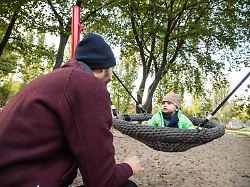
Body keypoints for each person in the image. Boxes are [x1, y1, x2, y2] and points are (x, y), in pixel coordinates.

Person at [0, 33, 143, 187]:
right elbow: (102, 181)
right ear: (104, 68)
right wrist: (128, 167)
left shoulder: (54, 80)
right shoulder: (88, 85)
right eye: (112, 70)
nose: (112, 77)